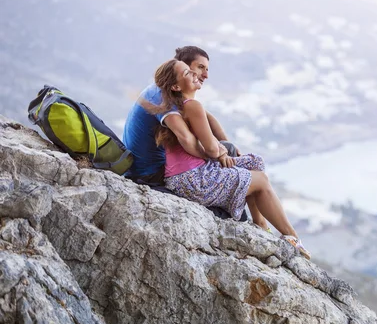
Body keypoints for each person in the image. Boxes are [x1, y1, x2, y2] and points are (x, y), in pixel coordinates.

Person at [150, 58, 311, 259]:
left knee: (255, 162)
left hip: (186, 177)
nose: (195, 74)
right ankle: (293, 238)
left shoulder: (180, 105)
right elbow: (210, 147)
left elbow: (207, 143)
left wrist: (220, 151)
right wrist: (222, 153)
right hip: (193, 180)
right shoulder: (191, 106)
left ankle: (261, 225)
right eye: (187, 73)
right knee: (260, 180)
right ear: (175, 86)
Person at [122, 46, 248, 220]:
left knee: (227, 151)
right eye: (199, 68)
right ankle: (237, 217)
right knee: (224, 157)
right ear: (184, 67)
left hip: (148, 167)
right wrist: (216, 153)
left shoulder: (167, 90)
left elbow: (206, 116)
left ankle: (238, 212)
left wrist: (226, 145)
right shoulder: (161, 96)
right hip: (148, 173)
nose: (204, 75)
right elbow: (186, 139)